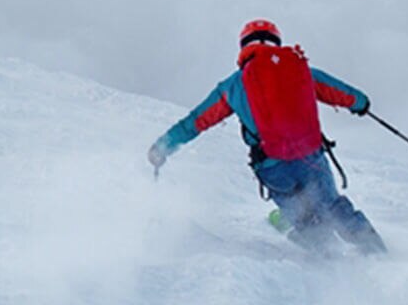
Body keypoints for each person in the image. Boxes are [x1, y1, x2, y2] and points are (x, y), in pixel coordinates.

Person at [147, 19, 386, 254]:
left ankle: (323, 252)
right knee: (332, 205)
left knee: (302, 216)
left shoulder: (233, 85)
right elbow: (347, 94)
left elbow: (195, 122)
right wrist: (361, 104)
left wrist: (162, 147)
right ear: (276, 42)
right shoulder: (302, 70)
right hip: (311, 158)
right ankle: (374, 249)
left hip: (273, 167)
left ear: (244, 47)